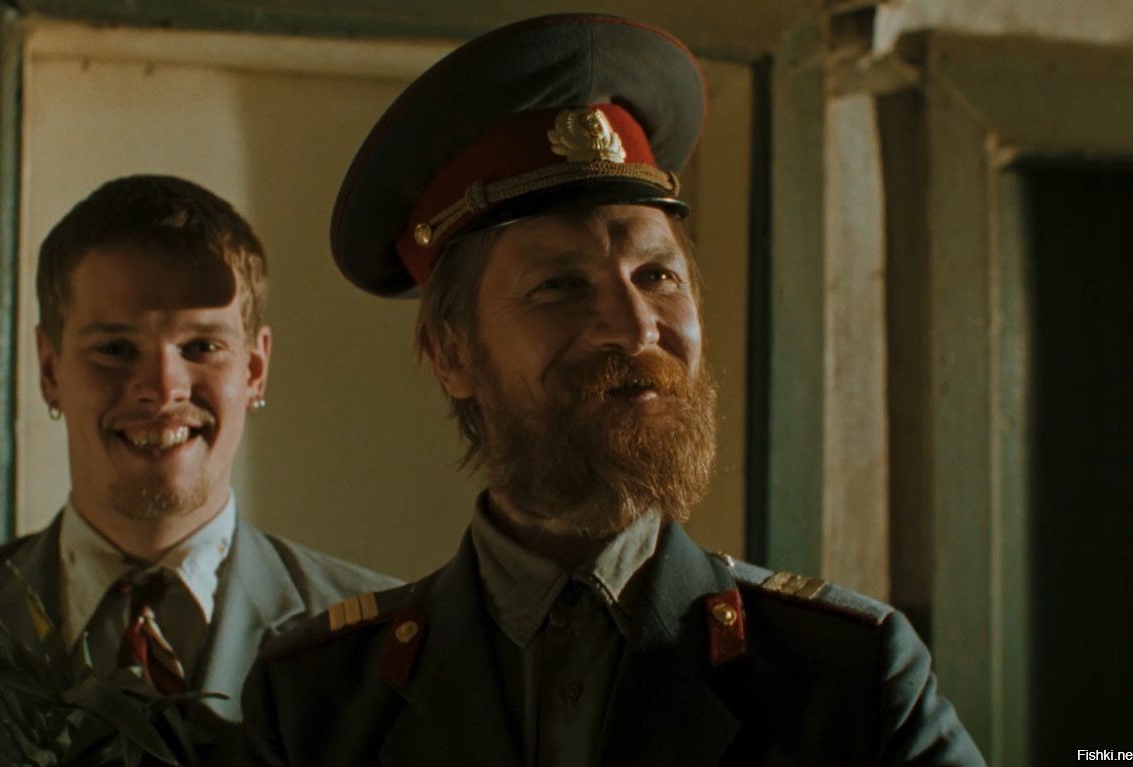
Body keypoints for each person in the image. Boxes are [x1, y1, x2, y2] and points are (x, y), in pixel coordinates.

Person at [238, 14, 985, 766]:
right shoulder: (320, 699)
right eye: (560, 285)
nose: (633, 327)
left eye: (656, 275)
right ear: (452, 353)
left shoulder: (848, 676)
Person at [0, 175, 399, 765]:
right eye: (115, 349)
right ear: (49, 369)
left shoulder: (382, 642)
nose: (162, 389)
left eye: (201, 346)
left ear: (254, 370)